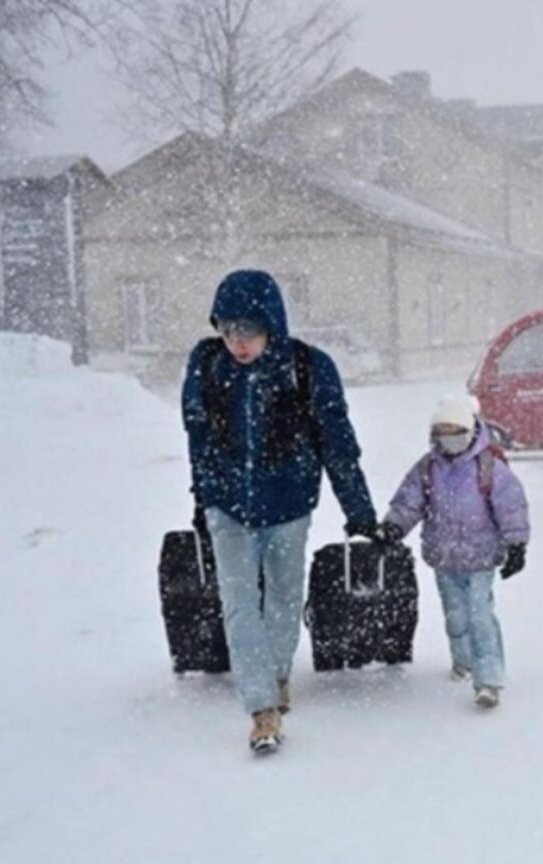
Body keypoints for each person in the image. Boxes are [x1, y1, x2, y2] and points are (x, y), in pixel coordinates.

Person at [182, 269, 378, 753]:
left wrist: (360, 511)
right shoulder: (207, 365)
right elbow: (198, 438)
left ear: (271, 323)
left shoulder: (308, 368)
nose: (237, 342)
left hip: (289, 504)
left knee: (286, 596)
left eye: (247, 329)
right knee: (238, 600)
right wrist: (203, 498)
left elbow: (338, 445)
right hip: (227, 505)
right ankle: (261, 707)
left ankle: (277, 673)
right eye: (227, 329)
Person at [374, 395, 529, 709]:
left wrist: (517, 545)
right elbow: (409, 502)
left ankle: (488, 678)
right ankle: (463, 661)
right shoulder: (428, 468)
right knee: (456, 616)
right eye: (442, 433)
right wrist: (393, 527)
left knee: (480, 615)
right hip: (444, 558)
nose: (450, 440)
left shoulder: (490, 468)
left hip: (482, 557)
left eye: (456, 432)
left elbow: (511, 507)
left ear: (470, 431)